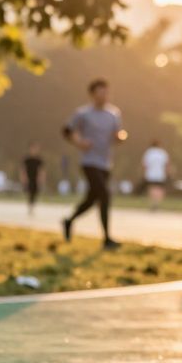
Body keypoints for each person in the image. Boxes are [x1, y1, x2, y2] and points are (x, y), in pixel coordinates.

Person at [61, 78, 126, 249]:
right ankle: (107, 238)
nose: (104, 95)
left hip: (105, 163)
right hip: (89, 161)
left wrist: (121, 137)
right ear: (92, 94)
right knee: (104, 195)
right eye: (100, 92)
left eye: (106, 92)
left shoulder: (113, 114)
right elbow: (67, 130)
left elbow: (119, 134)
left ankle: (69, 221)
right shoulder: (83, 113)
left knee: (91, 199)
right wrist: (79, 142)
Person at [141, 139, 171, 211]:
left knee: (152, 188)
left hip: (150, 174)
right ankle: (157, 203)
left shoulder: (149, 153)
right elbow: (167, 164)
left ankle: (152, 203)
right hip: (160, 174)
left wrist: (144, 173)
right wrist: (168, 173)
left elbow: (145, 165)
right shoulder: (162, 153)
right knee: (159, 189)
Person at [20, 142, 45, 215]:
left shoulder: (39, 160)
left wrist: (41, 178)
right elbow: (23, 169)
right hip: (29, 178)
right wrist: (23, 178)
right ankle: (30, 207)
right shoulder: (26, 159)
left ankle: (32, 205)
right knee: (30, 192)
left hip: (36, 178)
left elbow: (41, 170)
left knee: (35, 192)